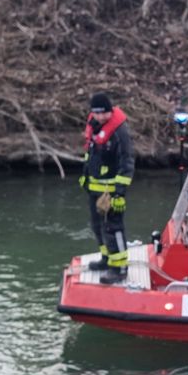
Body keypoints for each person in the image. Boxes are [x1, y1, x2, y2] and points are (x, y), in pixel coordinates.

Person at [80, 91, 134, 284]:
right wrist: (85, 178)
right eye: (96, 113)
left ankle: (119, 268)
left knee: (114, 228)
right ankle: (106, 259)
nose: (100, 117)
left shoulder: (120, 132)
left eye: (103, 113)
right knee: (97, 227)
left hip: (111, 191)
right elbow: (91, 154)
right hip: (95, 188)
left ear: (110, 112)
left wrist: (119, 194)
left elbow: (127, 164)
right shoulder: (94, 127)